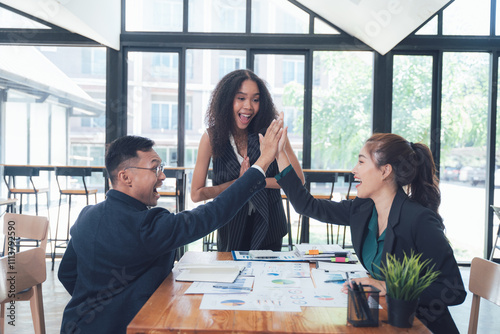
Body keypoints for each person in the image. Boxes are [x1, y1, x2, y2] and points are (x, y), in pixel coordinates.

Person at [57, 122, 283, 333]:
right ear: (126, 177)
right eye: (155, 169)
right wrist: (262, 163)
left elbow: (66, 273)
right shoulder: (146, 226)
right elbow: (213, 213)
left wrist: (101, 307)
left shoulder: (86, 216)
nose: (162, 176)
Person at [273, 130, 466, 334]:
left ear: (385, 171)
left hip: (420, 326)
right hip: (385, 320)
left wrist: (385, 286)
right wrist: (279, 153)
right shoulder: (363, 209)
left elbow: (453, 290)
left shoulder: (419, 220)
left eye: (361, 162)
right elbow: (308, 206)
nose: (354, 169)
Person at [191, 69, 304, 251]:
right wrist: (238, 184)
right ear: (227, 100)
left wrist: (255, 180)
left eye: (255, 99)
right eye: (241, 98)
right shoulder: (211, 138)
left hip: (270, 225)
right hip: (230, 225)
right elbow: (196, 194)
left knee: (267, 278)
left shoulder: (271, 132)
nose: (249, 106)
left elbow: (298, 179)